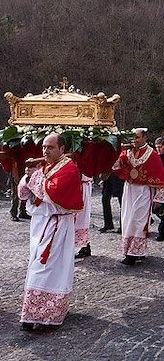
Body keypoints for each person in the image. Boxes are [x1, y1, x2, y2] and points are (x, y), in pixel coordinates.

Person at [17, 133, 83, 330]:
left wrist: (34, 177)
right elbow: (25, 193)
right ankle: (36, 312)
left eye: (50, 147)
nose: (45, 151)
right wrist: (27, 176)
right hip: (40, 224)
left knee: (46, 267)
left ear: (62, 149)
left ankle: (47, 313)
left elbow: (53, 191)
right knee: (38, 264)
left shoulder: (70, 168)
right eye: (44, 147)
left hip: (57, 226)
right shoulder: (45, 167)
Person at [112, 128, 164, 265]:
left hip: (144, 191)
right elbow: (115, 165)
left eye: (137, 137)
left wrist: (159, 199)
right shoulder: (127, 152)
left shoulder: (152, 155)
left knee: (138, 221)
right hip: (129, 189)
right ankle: (129, 250)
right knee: (127, 219)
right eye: (133, 137)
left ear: (144, 137)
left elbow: (160, 177)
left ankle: (135, 252)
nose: (134, 140)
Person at [74, 174, 93, 258]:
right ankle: (85, 245)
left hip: (82, 185)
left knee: (81, 218)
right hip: (77, 185)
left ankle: (84, 246)